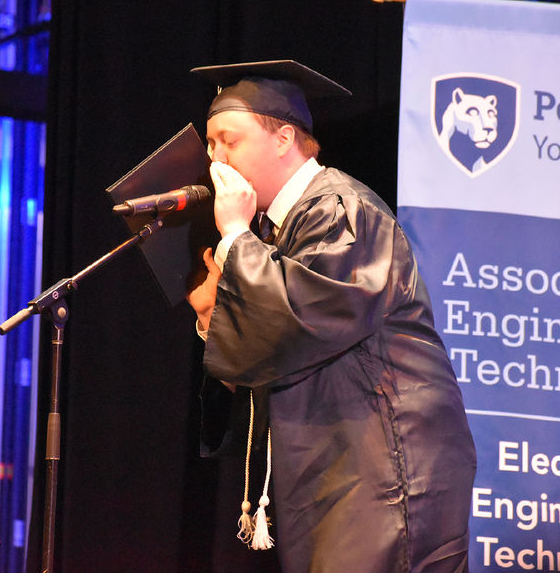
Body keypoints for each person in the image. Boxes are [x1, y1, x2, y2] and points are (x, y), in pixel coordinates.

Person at [186, 60, 476, 573]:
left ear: (283, 138)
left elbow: (309, 320)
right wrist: (214, 317)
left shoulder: (338, 209)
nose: (216, 159)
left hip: (388, 467)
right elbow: (274, 354)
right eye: (210, 145)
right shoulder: (280, 230)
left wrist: (235, 237)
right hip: (339, 467)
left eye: (229, 140)